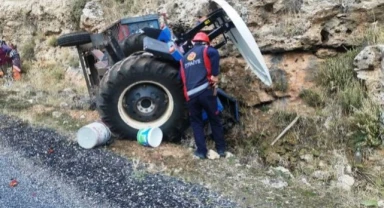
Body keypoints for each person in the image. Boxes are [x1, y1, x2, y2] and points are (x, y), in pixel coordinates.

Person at [179, 32, 226, 159]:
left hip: (190, 96)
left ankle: (201, 152)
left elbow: (181, 78)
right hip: (206, 92)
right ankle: (221, 149)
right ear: (206, 42)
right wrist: (215, 75)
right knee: (214, 119)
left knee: (196, 122)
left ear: (194, 42)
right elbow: (214, 54)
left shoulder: (183, 58)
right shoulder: (208, 50)